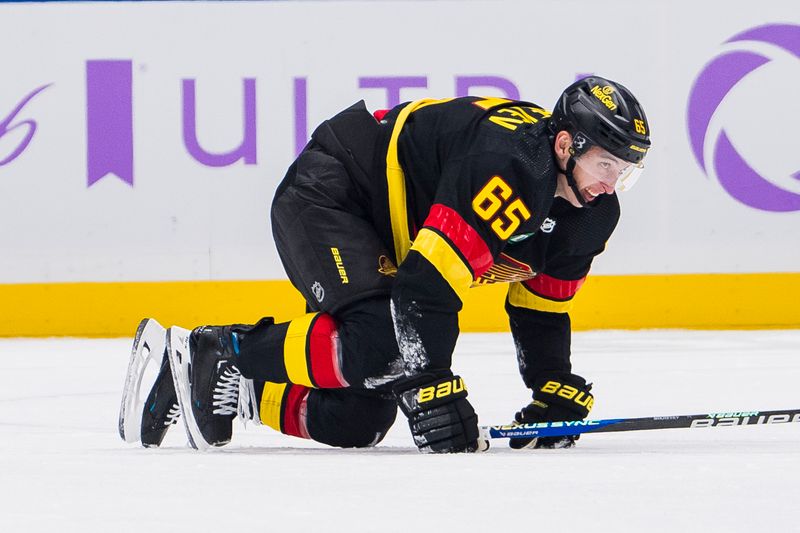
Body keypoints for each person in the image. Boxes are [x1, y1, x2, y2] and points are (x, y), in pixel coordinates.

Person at [119, 76, 651, 453]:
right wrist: (432, 382)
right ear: (565, 144)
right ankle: (220, 349)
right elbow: (426, 288)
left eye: (625, 172)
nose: (611, 184)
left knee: (359, 418)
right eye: (606, 164)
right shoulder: (510, 169)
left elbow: (539, 304)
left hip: (387, 234)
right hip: (334, 192)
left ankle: (226, 388)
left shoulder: (591, 216)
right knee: (388, 348)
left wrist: (550, 384)